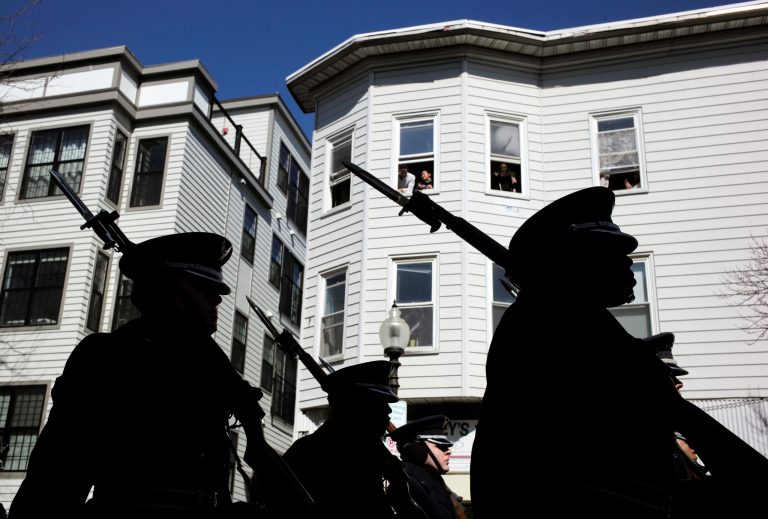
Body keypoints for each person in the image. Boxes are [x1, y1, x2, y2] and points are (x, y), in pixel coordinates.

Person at [9, 232, 271, 519]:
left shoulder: (207, 365)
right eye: (202, 287)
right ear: (167, 288)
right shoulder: (108, 357)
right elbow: (54, 482)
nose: (216, 300)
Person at [472, 187, 684, 518]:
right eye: (613, 249)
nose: (628, 259)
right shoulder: (550, 320)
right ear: (579, 256)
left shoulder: (582, 320)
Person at [283, 360, 424, 519]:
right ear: (354, 406)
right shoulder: (312, 453)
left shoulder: (369, 452)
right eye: (379, 403)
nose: (388, 410)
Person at [389, 415, 464, 519]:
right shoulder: (407, 484)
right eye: (441, 446)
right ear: (418, 450)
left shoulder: (433, 481)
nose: (449, 451)